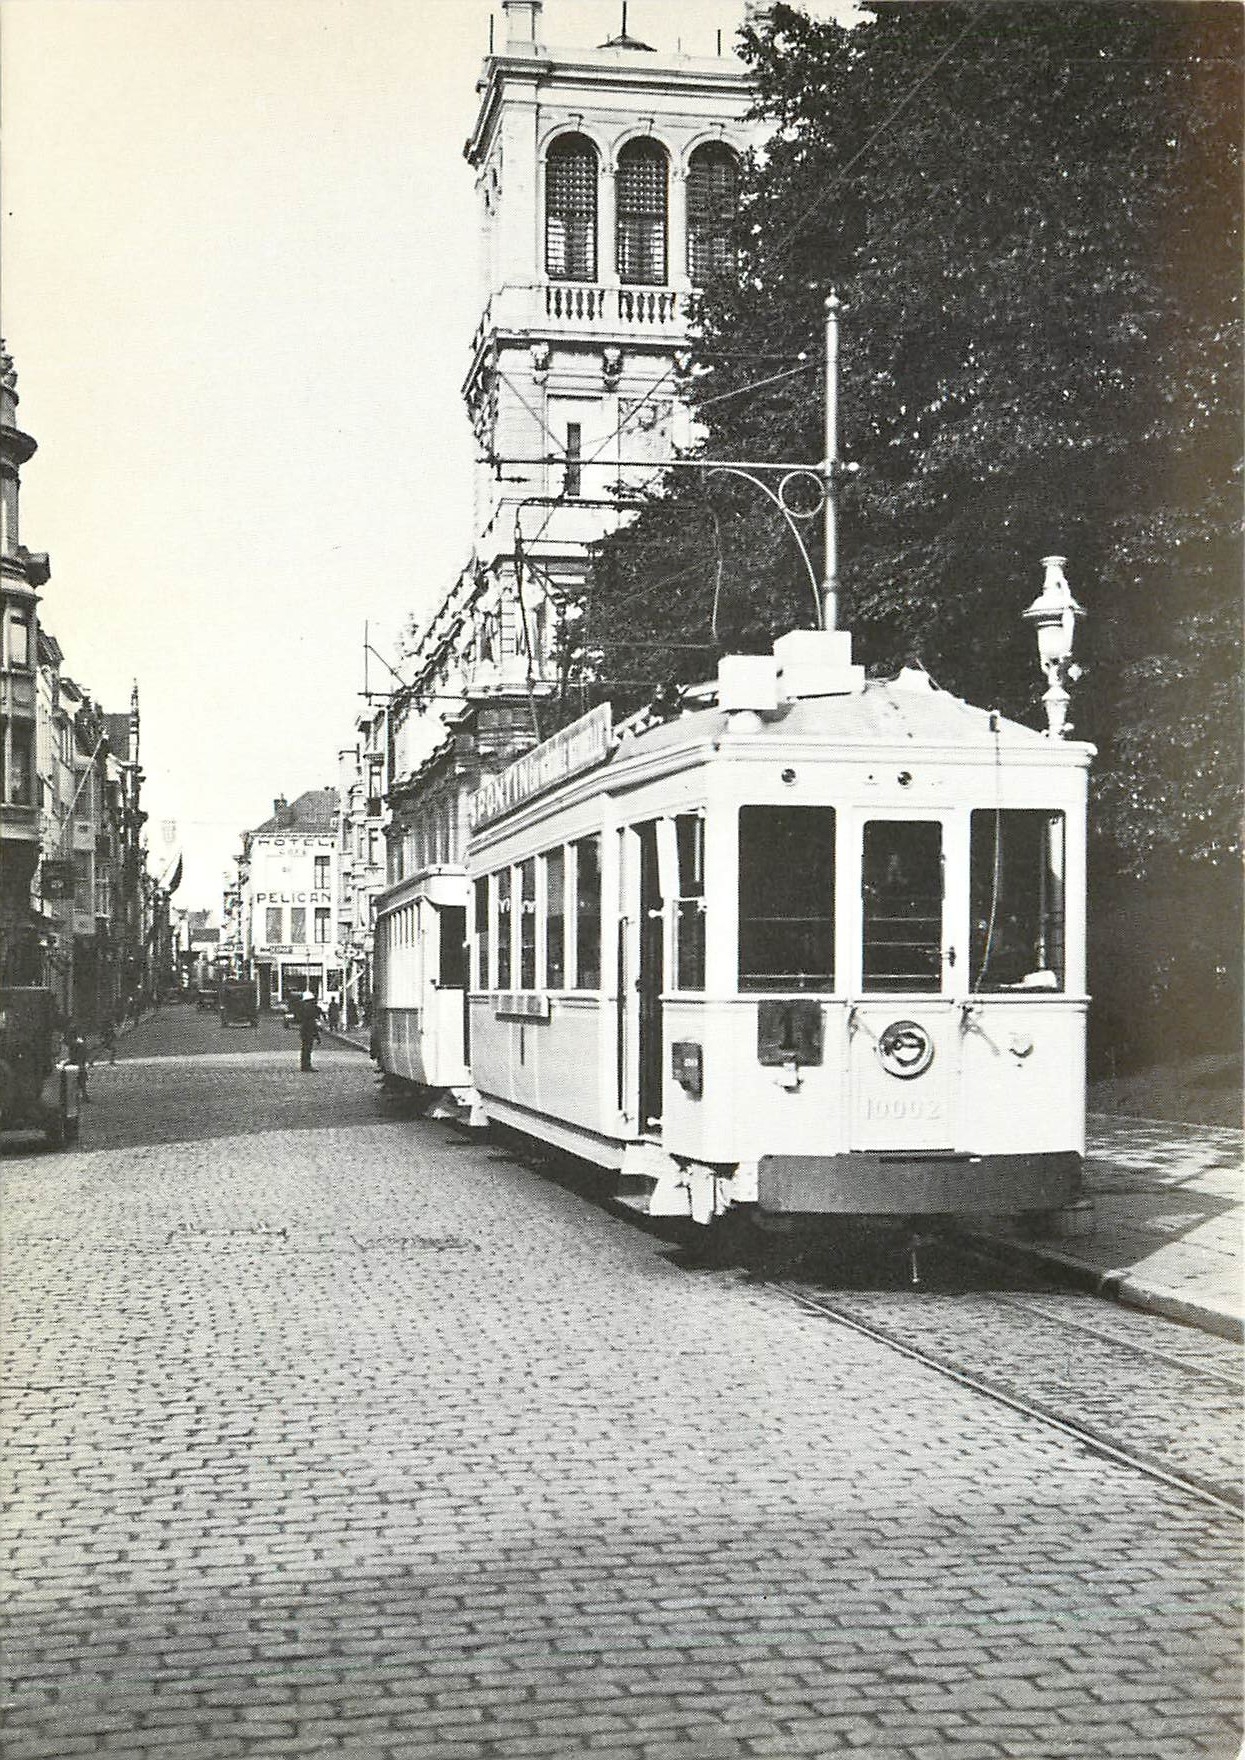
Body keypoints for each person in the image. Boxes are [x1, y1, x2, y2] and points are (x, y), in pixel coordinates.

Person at [297, 990, 320, 1073]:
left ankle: (304, 1065)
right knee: (308, 1049)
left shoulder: (303, 1007)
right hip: (309, 1031)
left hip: (304, 1030)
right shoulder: (311, 1008)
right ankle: (307, 1065)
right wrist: (317, 1035)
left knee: (304, 1049)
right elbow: (312, 1022)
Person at [65, 1022, 89, 1101]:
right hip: (79, 1062)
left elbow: (75, 1055)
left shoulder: (76, 1043)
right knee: (80, 1080)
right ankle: (83, 1095)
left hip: (77, 1062)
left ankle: (81, 1095)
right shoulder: (79, 1042)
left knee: (78, 1079)